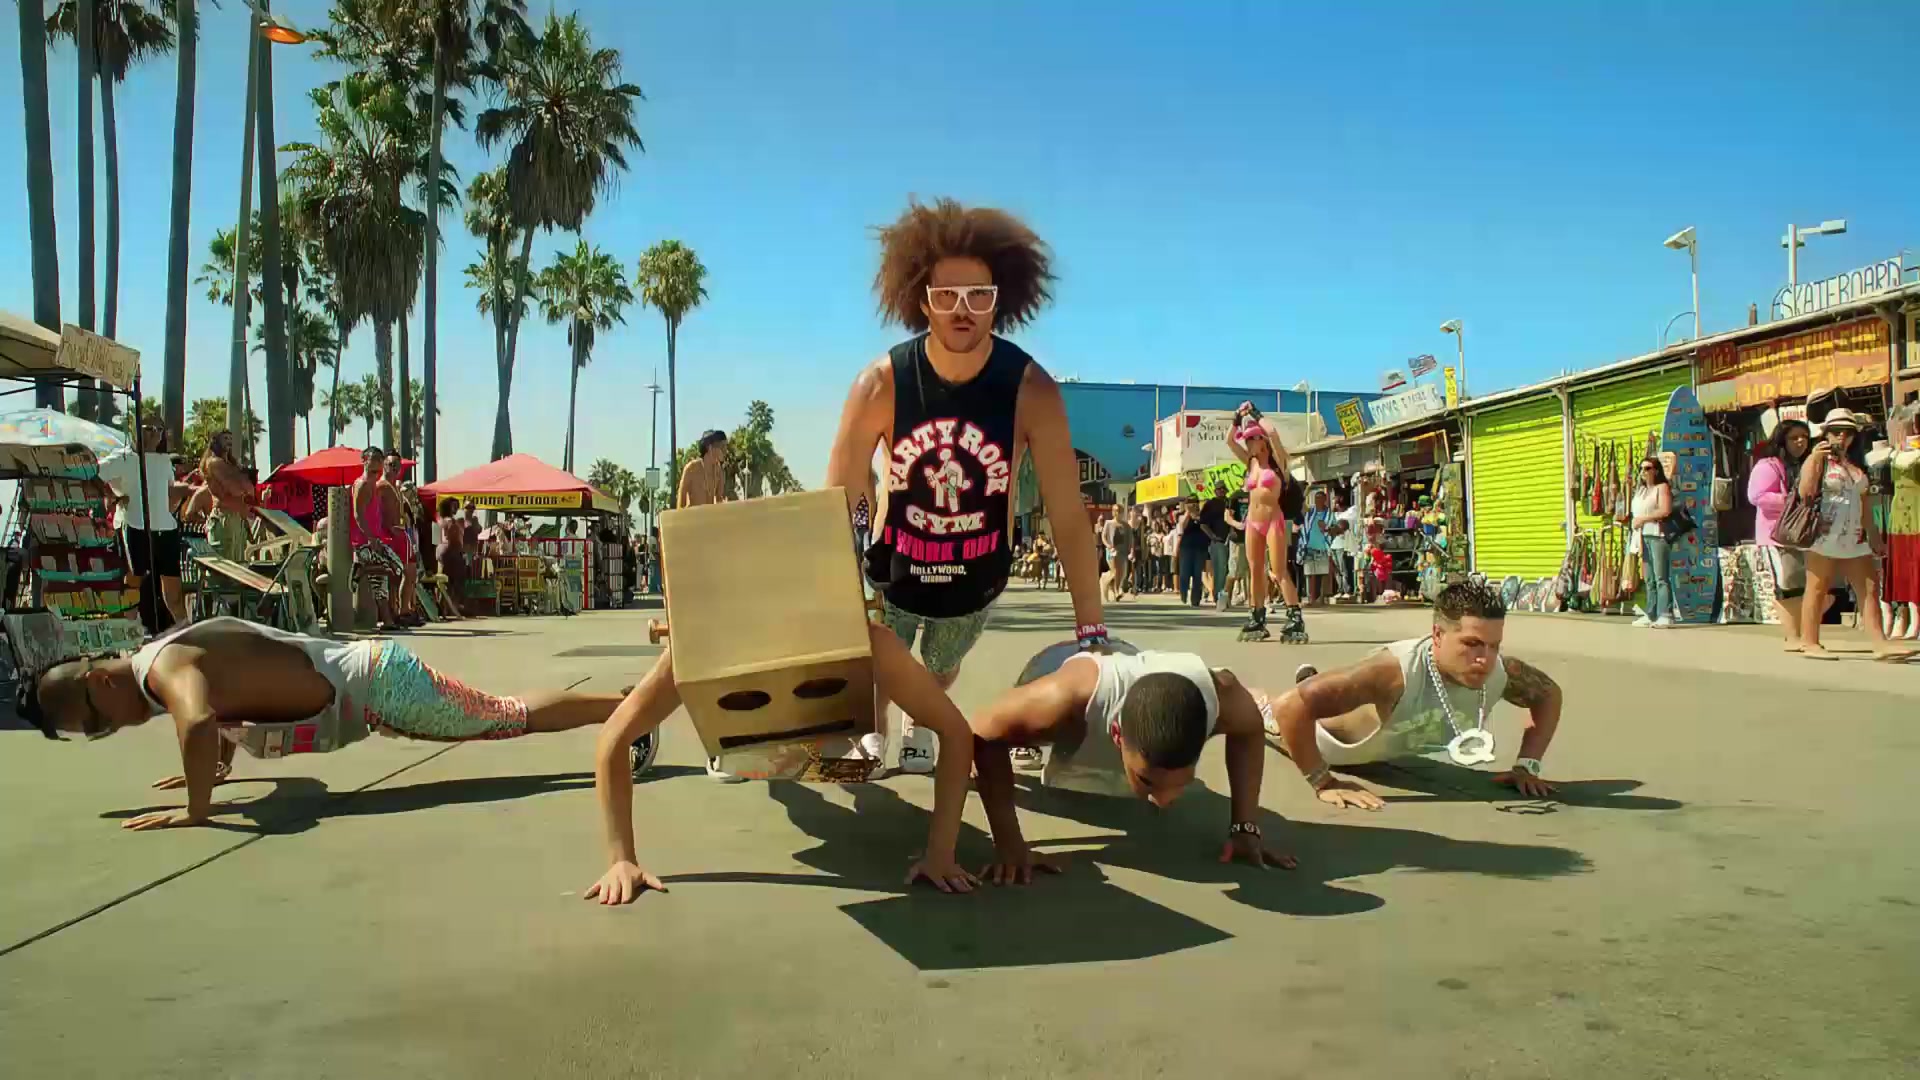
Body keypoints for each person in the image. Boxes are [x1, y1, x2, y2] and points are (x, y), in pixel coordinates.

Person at [825, 196, 1108, 776]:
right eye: (946, 295)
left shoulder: (1031, 389)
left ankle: (922, 715)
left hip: (976, 575)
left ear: (999, 301)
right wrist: (834, 588)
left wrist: (1092, 629)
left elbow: (1065, 512)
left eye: (979, 295)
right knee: (883, 659)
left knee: (940, 666)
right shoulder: (880, 385)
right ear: (921, 300)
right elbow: (842, 497)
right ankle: (877, 725)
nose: (962, 309)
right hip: (896, 565)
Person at [21, 617, 626, 829]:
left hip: (376, 685)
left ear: (100, 683)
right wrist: (215, 768)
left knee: (505, 717)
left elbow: (199, 719)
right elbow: (223, 704)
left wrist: (197, 810)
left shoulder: (162, 669)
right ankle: (625, 707)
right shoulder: (161, 657)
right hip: (371, 685)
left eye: (95, 724)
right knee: (500, 714)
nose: (108, 731)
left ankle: (625, 710)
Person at [585, 621, 987, 903]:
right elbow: (613, 737)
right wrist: (621, 860)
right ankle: (765, 770)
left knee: (841, 767)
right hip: (748, 745)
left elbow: (955, 731)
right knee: (776, 777)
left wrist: (941, 854)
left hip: (832, 745)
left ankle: (787, 768)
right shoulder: (699, 648)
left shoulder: (870, 642)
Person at [968, 640, 1297, 883]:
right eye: (1148, 781)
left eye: (1181, 783)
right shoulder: (1062, 700)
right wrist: (1009, 843)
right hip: (1059, 662)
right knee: (1009, 740)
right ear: (1116, 734)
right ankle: (1023, 745)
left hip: (1132, 660)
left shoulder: (1224, 697)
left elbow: (1250, 731)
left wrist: (1245, 827)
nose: (1164, 801)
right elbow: (982, 732)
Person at [1263, 581, 1562, 810]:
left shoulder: (1501, 671)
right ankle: (1287, 690)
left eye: (1493, 645)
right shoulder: (1393, 673)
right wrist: (1322, 781)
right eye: (1472, 644)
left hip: (1378, 749)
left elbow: (1548, 694)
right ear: (1438, 635)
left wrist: (1528, 765)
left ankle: (1311, 681)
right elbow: (1290, 708)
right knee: (1265, 710)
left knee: (1318, 692)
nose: (1485, 659)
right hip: (1324, 741)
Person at [1796, 409, 1908, 661]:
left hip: (1855, 536)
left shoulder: (1856, 464)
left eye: (1847, 432)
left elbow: (1864, 503)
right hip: (1825, 534)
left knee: (1869, 587)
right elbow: (1805, 493)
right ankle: (1809, 641)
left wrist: (1874, 536)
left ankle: (1880, 643)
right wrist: (1814, 458)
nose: (1841, 437)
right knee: (1817, 587)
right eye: (1835, 431)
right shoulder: (1819, 459)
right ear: (1825, 434)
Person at [98, 418, 188, 634]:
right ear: (137, 430)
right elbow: (94, 474)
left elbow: (168, 492)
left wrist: (188, 491)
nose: (155, 433)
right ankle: (125, 632)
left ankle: (184, 632)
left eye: (159, 429)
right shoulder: (124, 457)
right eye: (149, 428)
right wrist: (113, 496)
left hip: (165, 528)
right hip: (134, 525)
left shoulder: (164, 460)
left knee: (173, 589)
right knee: (133, 584)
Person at [1228, 407, 1308, 642]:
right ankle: (1257, 615)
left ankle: (1294, 616)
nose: (1249, 442)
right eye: (1247, 439)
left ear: (1261, 440)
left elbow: (1273, 433)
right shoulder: (1250, 462)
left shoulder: (1278, 463)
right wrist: (1237, 418)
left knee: (1279, 570)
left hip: (1273, 520)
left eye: (1253, 438)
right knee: (1255, 570)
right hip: (1253, 521)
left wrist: (1255, 413)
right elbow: (1229, 441)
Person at [349, 447, 403, 631]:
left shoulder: (373, 484)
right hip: (364, 541)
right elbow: (358, 514)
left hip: (375, 538)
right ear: (364, 460)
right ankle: (361, 569)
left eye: (380, 460)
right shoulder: (363, 484)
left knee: (380, 584)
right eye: (374, 459)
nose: (377, 463)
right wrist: (370, 537)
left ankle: (388, 621)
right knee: (394, 567)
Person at [1628, 457, 1676, 628]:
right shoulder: (1641, 490)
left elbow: (1665, 510)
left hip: (1657, 534)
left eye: (1647, 468)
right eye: (1641, 468)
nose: (1644, 472)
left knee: (1661, 576)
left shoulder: (1661, 488)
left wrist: (1643, 519)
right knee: (1649, 578)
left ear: (1656, 470)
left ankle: (1666, 614)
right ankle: (1651, 613)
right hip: (1642, 535)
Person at [198, 430, 255, 565]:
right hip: (224, 517)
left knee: (239, 564)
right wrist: (241, 483)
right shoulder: (214, 462)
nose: (229, 442)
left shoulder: (231, 464)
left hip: (237, 518)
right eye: (225, 438)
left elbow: (249, 489)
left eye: (230, 438)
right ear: (216, 441)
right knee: (224, 565)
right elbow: (235, 489)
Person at [1299, 488, 1336, 606]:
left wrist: (1326, 528)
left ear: (1325, 500)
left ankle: (1322, 598)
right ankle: (1311, 599)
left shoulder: (1329, 514)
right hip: (1309, 546)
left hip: (1323, 547)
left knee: (1324, 573)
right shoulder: (1310, 513)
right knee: (1310, 574)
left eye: (1320, 499)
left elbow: (1335, 530)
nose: (1317, 501)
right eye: (1316, 499)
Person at [434, 496, 467, 617]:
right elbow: (454, 538)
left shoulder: (439, 520)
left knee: (442, 582)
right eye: (454, 506)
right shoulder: (451, 522)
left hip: (440, 551)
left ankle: (442, 608)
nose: (456, 509)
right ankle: (453, 607)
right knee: (455, 581)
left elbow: (436, 539)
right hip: (451, 551)